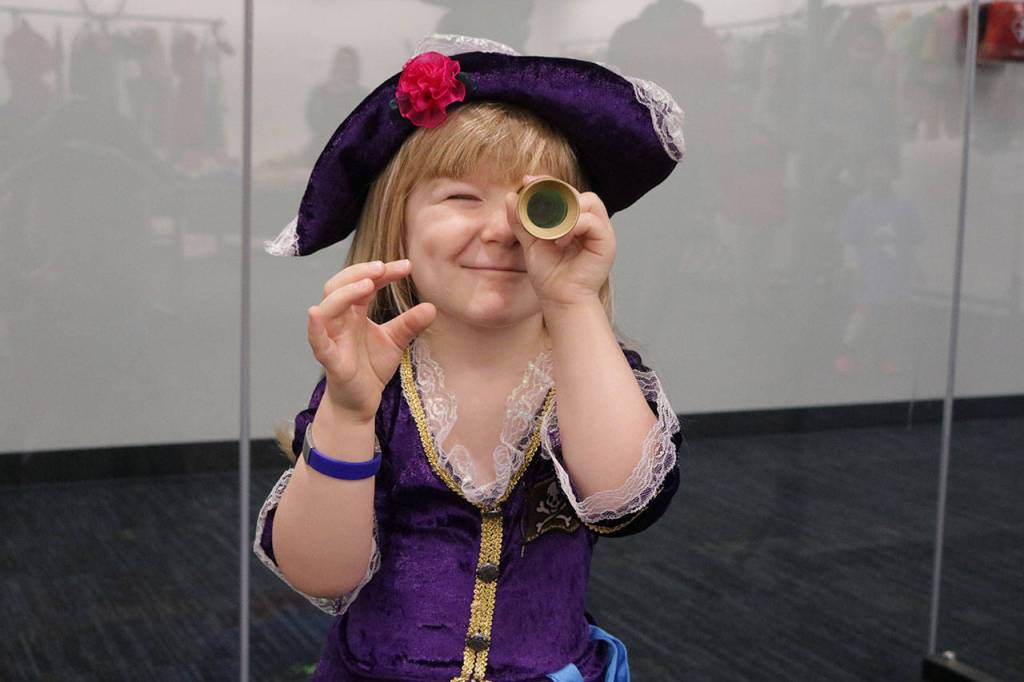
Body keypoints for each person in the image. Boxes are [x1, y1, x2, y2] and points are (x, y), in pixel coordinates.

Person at [255, 34, 687, 681]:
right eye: (462, 198)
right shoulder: (377, 385)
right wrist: (347, 414)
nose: (501, 229)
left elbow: (624, 503)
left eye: (535, 204)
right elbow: (321, 575)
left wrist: (573, 303)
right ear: (398, 224)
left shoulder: (591, 371)